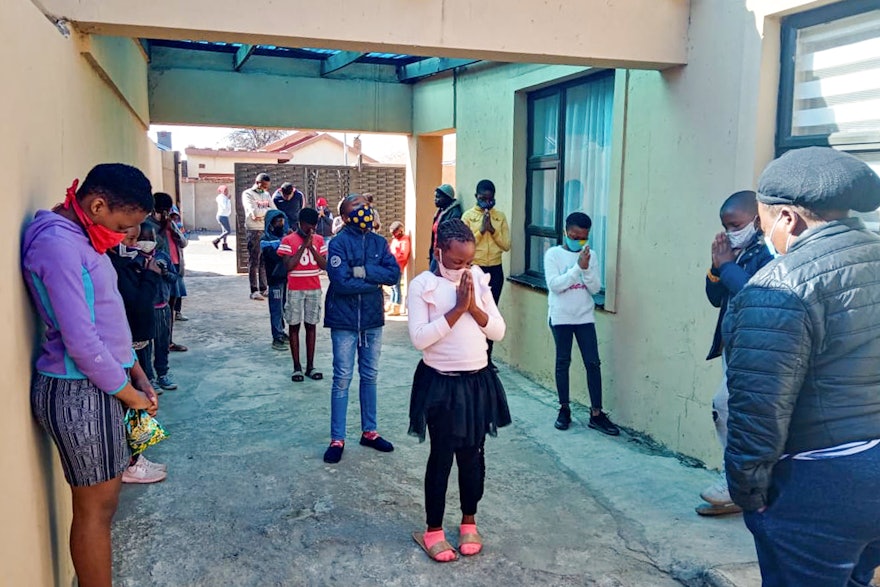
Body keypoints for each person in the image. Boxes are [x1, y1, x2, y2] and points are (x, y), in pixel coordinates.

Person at [723, 147, 880, 587]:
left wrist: (749, 495)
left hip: (824, 483)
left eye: (763, 221)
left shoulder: (779, 285)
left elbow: (759, 409)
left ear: (788, 219)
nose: (763, 233)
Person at [22, 163, 159, 587]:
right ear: (96, 205)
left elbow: (107, 317)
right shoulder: (57, 245)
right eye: (122, 226)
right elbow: (80, 340)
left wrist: (135, 371)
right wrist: (128, 395)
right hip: (79, 390)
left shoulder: (80, 238)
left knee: (104, 503)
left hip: (103, 383)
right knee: (95, 511)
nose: (125, 237)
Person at [407, 218, 511, 562]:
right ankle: (433, 529)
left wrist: (475, 307)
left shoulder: (478, 280)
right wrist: (456, 310)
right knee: (442, 457)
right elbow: (419, 337)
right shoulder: (423, 285)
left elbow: (498, 331)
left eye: (467, 262)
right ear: (439, 252)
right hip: (440, 383)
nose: (462, 269)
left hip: (477, 382)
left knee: (473, 456)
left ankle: (469, 520)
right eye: (455, 262)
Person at [696, 191, 772, 517]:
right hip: (733, 348)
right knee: (726, 410)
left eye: (735, 224)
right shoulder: (735, 251)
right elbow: (716, 297)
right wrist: (717, 268)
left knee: (727, 408)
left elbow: (756, 293)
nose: (729, 232)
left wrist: (727, 266)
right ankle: (740, 484)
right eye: (725, 226)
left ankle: (738, 484)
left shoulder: (768, 252)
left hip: (756, 351)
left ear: (757, 219)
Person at [323, 194, 400, 463]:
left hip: (372, 320)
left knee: (370, 376)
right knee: (342, 378)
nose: (364, 211)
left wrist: (362, 270)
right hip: (344, 321)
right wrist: (373, 281)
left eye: (365, 206)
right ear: (345, 217)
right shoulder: (338, 244)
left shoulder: (380, 242)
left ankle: (370, 432)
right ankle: (337, 438)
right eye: (357, 208)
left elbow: (393, 275)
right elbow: (340, 283)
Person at [543, 212, 619, 436]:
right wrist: (577, 268)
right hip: (561, 317)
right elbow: (555, 285)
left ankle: (596, 414)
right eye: (575, 236)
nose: (578, 241)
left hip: (584, 316)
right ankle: (564, 409)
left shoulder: (590, 255)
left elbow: (595, 288)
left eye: (584, 238)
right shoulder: (553, 255)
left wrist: (585, 268)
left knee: (593, 363)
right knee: (563, 361)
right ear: (566, 232)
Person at [107, 227, 169, 484]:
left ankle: (135, 457)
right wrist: (149, 275)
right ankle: (131, 463)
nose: (134, 245)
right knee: (129, 405)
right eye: (130, 239)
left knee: (139, 402)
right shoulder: (115, 266)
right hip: (125, 344)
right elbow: (138, 301)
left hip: (135, 343)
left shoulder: (127, 262)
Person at [461, 179, 510, 369]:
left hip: (495, 269)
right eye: (482, 198)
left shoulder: (500, 217)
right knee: (473, 312)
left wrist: (493, 231)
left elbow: (506, 245)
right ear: (476, 197)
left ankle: (487, 359)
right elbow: (464, 246)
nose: (486, 202)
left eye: (490, 199)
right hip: (476, 268)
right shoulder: (468, 216)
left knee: (491, 313)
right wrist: (481, 230)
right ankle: (473, 355)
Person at [279, 207, 328, 382]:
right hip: (295, 289)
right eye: (308, 225)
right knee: (294, 325)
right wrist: (303, 246)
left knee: (311, 326)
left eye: (314, 225)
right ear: (300, 223)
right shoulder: (288, 240)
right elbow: (289, 266)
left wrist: (312, 247)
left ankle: (310, 366)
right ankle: (297, 367)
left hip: (313, 288)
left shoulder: (319, 240)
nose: (311, 229)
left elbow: (324, 265)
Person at [135, 222, 179, 392]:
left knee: (162, 343)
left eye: (150, 238)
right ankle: (148, 377)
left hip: (163, 307)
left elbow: (174, 278)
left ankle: (163, 374)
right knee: (145, 346)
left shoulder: (162, 257)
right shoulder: (134, 258)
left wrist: (165, 272)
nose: (147, 242)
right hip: (145, 309)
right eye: (143, 239)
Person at [147, 194, 188, 352]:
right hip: (158, 271)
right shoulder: (147, 225)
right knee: (157, 307)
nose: (164, 214)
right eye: (161, 211)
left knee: (170, 307)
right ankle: (154, 342)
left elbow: (184, 242)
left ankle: (168, 341)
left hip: (175, 269)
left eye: (166, 210)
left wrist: (173, 228)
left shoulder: (171, 223)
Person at [260, 210, 291, 351]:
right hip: (275, 279)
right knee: (276, 308)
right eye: (277, 221)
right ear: (271, 223)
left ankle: (281, 331)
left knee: (283, 307)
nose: (281, 224)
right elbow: (276, 255)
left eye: (282, 221)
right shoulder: (266, 240)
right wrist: (285, 244)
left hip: (285, 278)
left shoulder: (285, 236)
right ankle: (276, 337)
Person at [242, 172, 274, 300]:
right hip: (254, 230)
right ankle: (254, 290)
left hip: (265, 229)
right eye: (264, 186)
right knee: (254, 260)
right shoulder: (248, 194)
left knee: (264, 261)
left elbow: (274, 210)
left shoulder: (266, 195)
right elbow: (254, 212)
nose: (266, 189)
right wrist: (266, 212)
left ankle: (264, 288)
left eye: (267, 186)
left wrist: (263, 213)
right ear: (257, 183)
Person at [428, 184, 463, 272]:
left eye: (438, 197)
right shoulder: (440, 211)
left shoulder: (454, 213)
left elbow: (451, 235)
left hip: (443, 253)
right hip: (436, 251)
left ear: (447, 198)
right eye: (435, 197)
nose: (435, 199)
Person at [168, 205, 189, 323]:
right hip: (167, 262)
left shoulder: (177, 227)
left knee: (178, 289)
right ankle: (170, 313)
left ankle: (178, 312)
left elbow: (184, 242)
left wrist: (174, 229)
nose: (172, 219)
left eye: (175, 217)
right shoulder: (157, 228)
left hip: (177, 262)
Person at [387, 221, 411, 316]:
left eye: (395, 233)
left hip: (398, 266)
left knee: (396, 287)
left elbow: (404, 255)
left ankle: (397, 306)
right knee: (392, 286)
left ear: (400, 230)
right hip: (391, 266)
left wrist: (393, 259)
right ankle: (392, 303)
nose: (393, 235)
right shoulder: (396, 240)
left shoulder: (404, 240)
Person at [213, 184, 233, 251]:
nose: (226, 192)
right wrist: (228, 200)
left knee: (224, 231)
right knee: (228, 231)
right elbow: (225, 207)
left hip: (224, 215)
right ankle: (216, 240)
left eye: (227, 190)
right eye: (225, 190)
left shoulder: (224, 197)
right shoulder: (221, 198)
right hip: (222, 216)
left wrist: (227, 199)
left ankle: (224, 245)